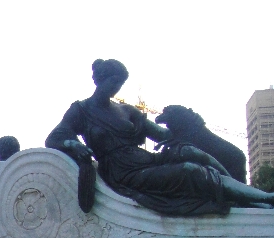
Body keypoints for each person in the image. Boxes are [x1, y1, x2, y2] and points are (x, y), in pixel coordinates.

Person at [45, 59, 274, 215]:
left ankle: (260, 199)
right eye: (113, 82)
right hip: (122, 172)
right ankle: (264, 200)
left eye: (120, 84)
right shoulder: (81, 110)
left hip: (143, 161)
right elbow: (54, 138)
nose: (116, 88)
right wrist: (72, 144)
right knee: (190, 171)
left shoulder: (126, 111)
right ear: (100, 80)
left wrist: (191, 125)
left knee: (193, 156)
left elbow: (163, 135)